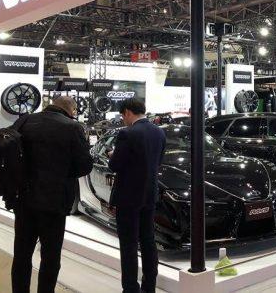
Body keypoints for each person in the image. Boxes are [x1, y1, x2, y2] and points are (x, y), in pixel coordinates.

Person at [11, 96, 93, 293]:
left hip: (24, 198)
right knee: (50, 257)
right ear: (71, 109)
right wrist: (62, 173)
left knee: (22, 255)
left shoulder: (24, 121)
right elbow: (84, 165)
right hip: (55, 202)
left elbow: (10, 153)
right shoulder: (72, 127)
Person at [109, 98, 165, 293]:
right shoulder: (159, 132)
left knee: (129, 245)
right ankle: (149, 287)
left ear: (127, 112)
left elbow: (115, 165)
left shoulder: (127, 133)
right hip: (149, 194)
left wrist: (112, 155)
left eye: (122, 116)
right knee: (148, 241)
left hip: (128, 196)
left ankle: (131, 289)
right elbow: (158, 161)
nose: (123, 120)